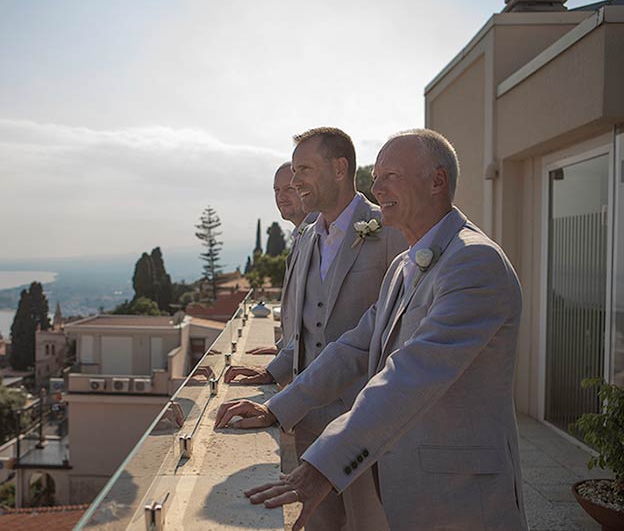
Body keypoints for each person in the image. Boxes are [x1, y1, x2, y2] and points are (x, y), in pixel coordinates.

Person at [216, 129, 528, 531]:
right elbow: (355, 348)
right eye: (376, 176)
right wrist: (277, 409)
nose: (376, 188)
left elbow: (411, 375)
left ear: (437, 181)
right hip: (405, 484)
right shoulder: (405, 265)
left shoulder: (475, 262)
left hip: (461, 497)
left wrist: (320, 469)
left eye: (390, 176)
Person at [225, 127, 406, 530]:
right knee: (320, 525)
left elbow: (389, 326)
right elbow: (306, 329)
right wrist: (274, 371)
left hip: (367, 422)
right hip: (309, 420)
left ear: (340, 168)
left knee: (370, 523)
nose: (294, 181)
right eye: (293, 170)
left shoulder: (388, 229)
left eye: (303, 168)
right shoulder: (307, 238)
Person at [246, 161, 317, 356]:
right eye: (276, 190)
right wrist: (282, 348)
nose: (281, 197)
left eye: (289, 189)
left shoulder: (324, 235)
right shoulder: (300, 235)